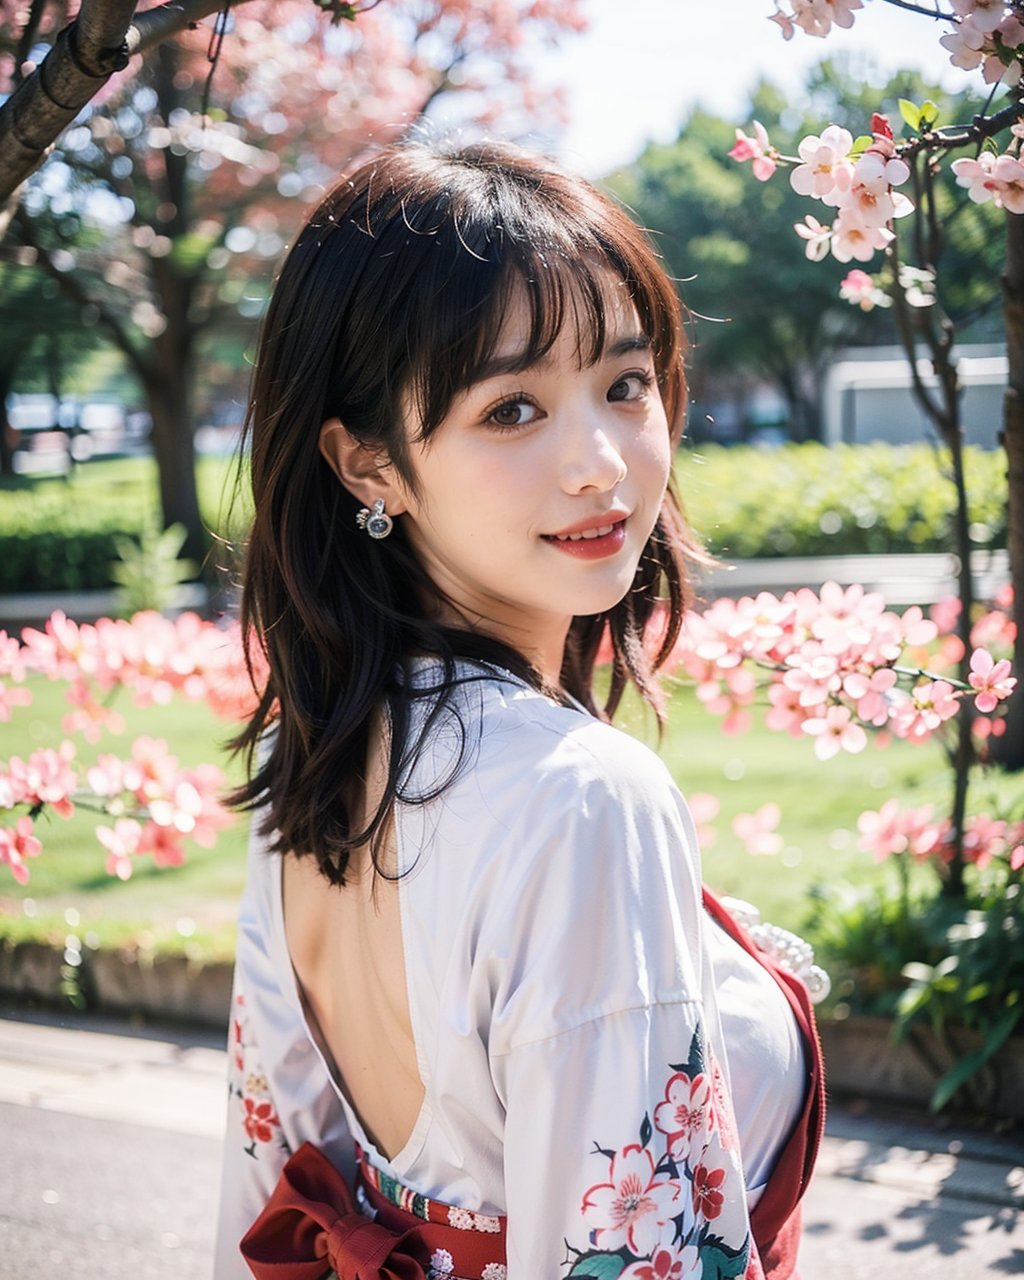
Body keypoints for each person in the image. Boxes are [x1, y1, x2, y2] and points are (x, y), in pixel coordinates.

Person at [214, 139, 824, 1280]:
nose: (600, 463)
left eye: (625, 384)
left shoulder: (316, 761)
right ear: (367, 465)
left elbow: (268, 1172)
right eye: (511, 409)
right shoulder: (581, 795)